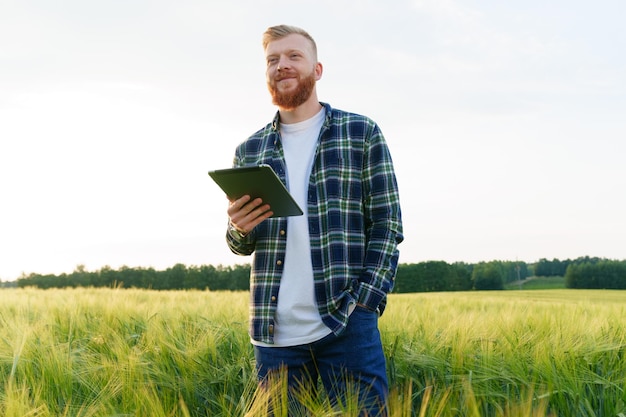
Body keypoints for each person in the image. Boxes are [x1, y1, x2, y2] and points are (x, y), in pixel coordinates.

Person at [224, 24, 403, 416]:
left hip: (346, 323)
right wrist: (238, 228)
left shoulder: (361, 132)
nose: (281, 65)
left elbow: (387, 225)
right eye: (272, 60)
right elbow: (240, 245)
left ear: (317, 70)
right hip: (273, 334)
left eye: (293, 56)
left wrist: (366, 304)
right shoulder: (249, 149)